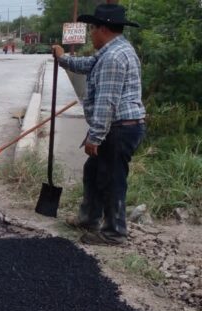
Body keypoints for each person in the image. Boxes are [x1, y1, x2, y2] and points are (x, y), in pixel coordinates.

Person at [53, 4, 146, 246]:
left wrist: (95, 137)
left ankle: (114, 233)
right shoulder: (110, 51)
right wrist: (62, 59)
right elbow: (86, 65)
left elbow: (107, 102)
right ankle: (89, 219)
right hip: (117, 126)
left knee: (111, 179)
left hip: (119, 128)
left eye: (92, 29)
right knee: (93, 171)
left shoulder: (114, 58)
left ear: (103, 29)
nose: (90, 34)